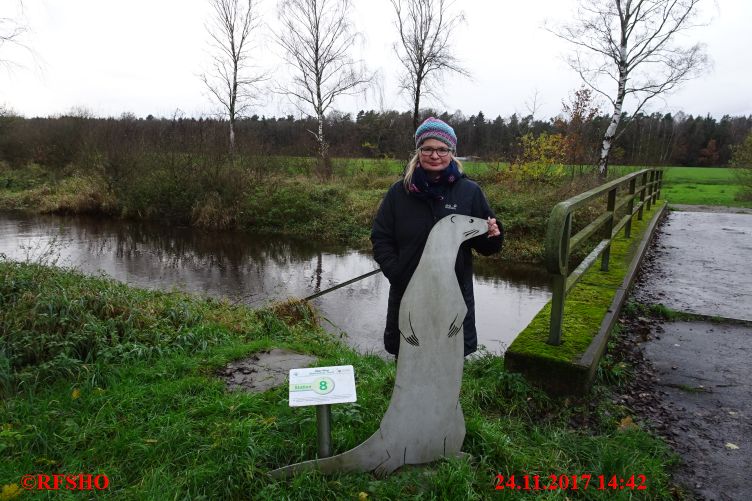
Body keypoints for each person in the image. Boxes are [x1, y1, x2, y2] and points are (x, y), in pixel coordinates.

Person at [371, 117, 503, 358]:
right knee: (410, 352)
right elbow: (381, 237)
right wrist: (396, 272)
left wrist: (493, 235)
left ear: (451, 152)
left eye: (442, 149)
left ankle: (448, 397)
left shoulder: (469, 192)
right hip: (408, 289)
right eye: (428, 148)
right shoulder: (399, 193)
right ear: (418, 151)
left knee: (449, 353)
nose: (435, 155)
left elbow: (486, 246)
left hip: (452, 291)